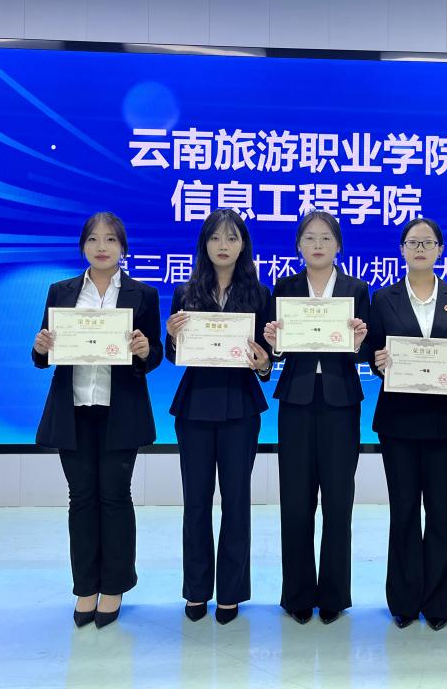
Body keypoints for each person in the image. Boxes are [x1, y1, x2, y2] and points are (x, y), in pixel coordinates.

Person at [32, 211, 162, 629]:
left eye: (110, 239)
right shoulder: (61, 291)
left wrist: (145, 351)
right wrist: (40, 347)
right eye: (93, 239)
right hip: (72, 410)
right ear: (82, 246)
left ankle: (115, 587)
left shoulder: (143, 294)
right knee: (81, 498)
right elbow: (43, 355)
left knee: (115, 497)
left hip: (120, 410)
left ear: (123, 247)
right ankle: (85, 586)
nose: (101, 247)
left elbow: (155, 356)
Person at [366, 218, 447, 631]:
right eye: (412, 242)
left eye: (428, 242)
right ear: (402, 249)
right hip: (398, 422)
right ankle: (405, 601)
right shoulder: (383, 299)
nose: (420, 249)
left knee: (441, 512)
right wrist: (377, 362)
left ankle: (439, 603)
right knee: (405, 511)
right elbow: (372, 352)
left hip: (446, 422)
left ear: (440, 250)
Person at [164, 208, 272, 625]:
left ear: (243, 245)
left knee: (236, 502)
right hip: (194, 405)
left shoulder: (259, 295)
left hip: (241, 407)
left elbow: (267, 360)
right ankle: (196, 590)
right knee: (195, 502)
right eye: (214, 238)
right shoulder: (185, 292)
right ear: (204, 245)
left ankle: (230, 592)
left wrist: (264, 363)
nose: (222, 245)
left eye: (231, 238)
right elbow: (174, 355)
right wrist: (172, 337)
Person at [263, 210, 370, 625]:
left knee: (338, 501)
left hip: (341, 402)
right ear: (299, 246)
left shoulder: (356, 289)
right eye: (310, 238)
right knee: (296, 501)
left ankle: (334, 595)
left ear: (338, 245)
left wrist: (359, 341)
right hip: (296, 400)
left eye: (326, 237)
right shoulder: (285, 288)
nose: (318, 244)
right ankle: (297, 595)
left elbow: (367, 350)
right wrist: (274, 344)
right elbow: (275, 350)